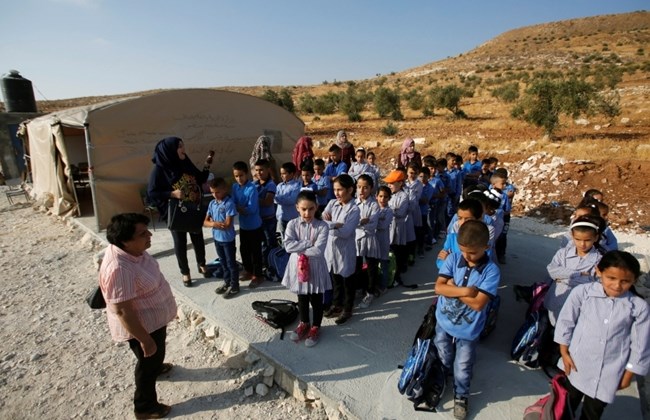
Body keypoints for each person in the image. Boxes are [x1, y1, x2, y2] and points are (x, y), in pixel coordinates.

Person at [554, 250, 650, 420]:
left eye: (625, 281)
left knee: (592, 413)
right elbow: (565, 322)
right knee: (565, 405)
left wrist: (628, 375)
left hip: (609, 373)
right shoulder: (582, 293)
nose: (617, 285)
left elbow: (641, 344)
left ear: (634, 279)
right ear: (599, 271)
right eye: (611, 278)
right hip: (576, 364)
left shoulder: (638, 307)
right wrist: (564, 352)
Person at [99, 213, 177, 419]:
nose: (150, 234)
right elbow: (123, 310)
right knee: (147, 363)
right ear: (125, 241)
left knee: (154, 356)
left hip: (153, 319)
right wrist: (145, 340)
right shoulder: (119, 268)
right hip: (143, 326)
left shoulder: (133, 251)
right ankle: (145, 407)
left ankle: (157, 365)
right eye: (143, 233)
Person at [434, 220, 500, 420]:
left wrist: (453, 289)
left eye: (472, 253)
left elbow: (479, 304)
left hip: (468, 329)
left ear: (486, 247)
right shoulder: (453, 258)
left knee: (463, 366)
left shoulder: (491, 271)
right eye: (463, 251)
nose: (467, 256)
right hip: (443, 321)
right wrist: (465, 291)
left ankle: (461, 395)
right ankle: (443, 377)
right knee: (443, 353)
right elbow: (438, 288)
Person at [147, 136, 210, 287]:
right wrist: (171, 194)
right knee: (180, 243)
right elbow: (152, 192)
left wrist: (207, 164)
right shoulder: (160, 169)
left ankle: (202, 265)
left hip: (193, 209)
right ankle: (185, 273)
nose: (183, 149)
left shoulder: (185, 162)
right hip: (176, 212)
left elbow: (200, 178)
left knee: (198, 238)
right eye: (180, 146)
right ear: (169, 151)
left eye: (183, 145)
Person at [282, 191, 331, 347]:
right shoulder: (292, 224)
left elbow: (318, 251)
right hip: (298, 267)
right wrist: (308, 243)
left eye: (311, 208)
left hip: (315, 267)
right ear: (297, 208)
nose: (307, 213)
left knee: (316, 299)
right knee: (302, 297)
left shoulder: (322, 226)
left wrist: (300, 246)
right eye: (303, 209)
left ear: (316, 207)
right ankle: (304, 323)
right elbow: (288, 246)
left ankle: (316, 326)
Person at [544, 215, 606, 326]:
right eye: (578, 239)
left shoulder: (599, 260)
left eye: (587, 240)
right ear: (572, 236)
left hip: (579, 307)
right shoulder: (563, 253)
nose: (582, 244)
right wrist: (581, 274)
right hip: (556, 301)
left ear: (596, 238)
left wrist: (563, 278)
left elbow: (595, 285)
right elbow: (551, 270)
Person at [322, 174, 360, 325]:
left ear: (350, 190)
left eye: (340, 190)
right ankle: (337, 305)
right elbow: (322, 218)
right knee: (336, 280)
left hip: (345, 251)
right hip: (331, 250)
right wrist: (334, 225)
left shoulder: (354, 210)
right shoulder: (332, 203)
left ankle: (348, 309)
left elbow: (346, 232)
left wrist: (328, 225)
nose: (336, 193)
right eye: (335, 190)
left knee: (348, 282)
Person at [204, 177, 239, 298]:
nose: (215, 195)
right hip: (217, 238)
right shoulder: (212, 203)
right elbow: (205, 222)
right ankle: (227, 281)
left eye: (217, 192)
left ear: (224, 189)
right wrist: (215, 223)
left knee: (231, 263)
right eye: (212, 192)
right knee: (223, 262)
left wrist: (214, 223)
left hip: (227, 239)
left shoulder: (229, 203)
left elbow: (227, 224)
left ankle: (234, 286)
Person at [232, 161, 265, 288]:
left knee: (255, 251)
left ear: (246, 174)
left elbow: (252, 209)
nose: (239, 178)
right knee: (244, 250)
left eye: (241, 175)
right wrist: (241, 208)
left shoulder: (252, 188)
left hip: (254, 226)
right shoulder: (235, 187)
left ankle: (258, 275)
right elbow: (233, 202)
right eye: (236, 176)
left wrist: (239, 208)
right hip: (243, 226)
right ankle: (248, 270)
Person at [354, 174, 381, 308]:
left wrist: (356, 223)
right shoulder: (353, 203)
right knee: (356, 267)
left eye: (365, 188)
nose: (361, 191)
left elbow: (372, 225)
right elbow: (348, 222)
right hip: (355, 240)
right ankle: (360, 288)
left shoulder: (374, 205)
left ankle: (370, 293)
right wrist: (361, 221)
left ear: (371, 188)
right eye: (359, 187)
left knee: (371, 267)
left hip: (369, 240)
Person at [436, 198, 484, 269]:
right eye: (460, 218)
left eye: (468, 219)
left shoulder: (483, 240)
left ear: (479, 219)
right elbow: (440, 261)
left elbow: (480, 266)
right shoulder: (451, 238)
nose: (463, 222)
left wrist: (450, 260)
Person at [385, 169, 410, 285]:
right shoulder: (388, 195)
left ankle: (397, 275)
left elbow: (400, 212)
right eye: (388, 183)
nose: (389, 186)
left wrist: (388, 210)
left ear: (400, 183)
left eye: (392, 183)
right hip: (388, 227)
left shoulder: (404, 196)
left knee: (398, 252)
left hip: (398, 227)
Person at [254, 159, 278, 264]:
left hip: (268, 220)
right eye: (256, 170)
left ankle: (273, 263)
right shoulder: (254, 184)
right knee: (261, 243)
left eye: (261, 170)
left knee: (270, 242)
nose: (258, 173)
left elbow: (268, 202)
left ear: (268, 170)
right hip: (258, 219)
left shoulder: (271, 185)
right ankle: (265, 262)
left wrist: (253, 199)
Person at [375, 186, 394, 294]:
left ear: (389, 198)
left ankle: (384, 285)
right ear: (376, 196)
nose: (382, 199)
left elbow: (383, 225)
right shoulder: (374, 208)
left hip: (383, 240)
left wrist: (373, 221)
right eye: (380, 196)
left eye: (385, 197)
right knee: (373, 263)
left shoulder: (389, 211)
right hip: (373, 239)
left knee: (383, 264)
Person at [275, 162, 302, 235]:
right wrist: (281, 198)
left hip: (292, 217)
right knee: (284, 238)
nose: (282, 176)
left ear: (292, 174)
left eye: (284, 173)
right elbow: (274, 199)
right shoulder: (279, 186)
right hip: (281, 217)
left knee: (293, 237)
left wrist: (279, 198)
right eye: (281, 173)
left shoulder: (297, 185)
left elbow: (291, 200)